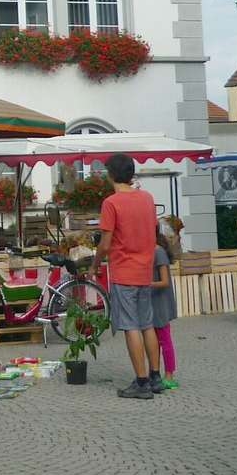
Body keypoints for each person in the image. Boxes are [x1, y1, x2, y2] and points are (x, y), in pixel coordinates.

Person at [90, 154, 162, 399]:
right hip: (144, 269)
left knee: (130, 326)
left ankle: (141, 383)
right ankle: (155, 376)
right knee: (147, 324)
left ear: (110, 174)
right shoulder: (147, 198)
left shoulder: (111, 203)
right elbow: (153, 232)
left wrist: (95, 264)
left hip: (124, 270)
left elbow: (105, 243)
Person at [152, 224, 179, 391]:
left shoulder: (158, 252)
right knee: (152, 340)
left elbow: (164, 282)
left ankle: (169, 375)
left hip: (160, 302)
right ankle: (153, 372)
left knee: (164, 339)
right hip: (151, 301)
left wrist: (145, 284)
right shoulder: (149, 251)